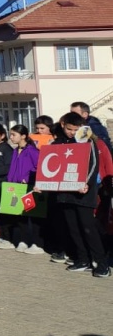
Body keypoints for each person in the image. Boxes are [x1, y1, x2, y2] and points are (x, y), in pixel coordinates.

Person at [54, 112, 110, 278]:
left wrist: (86, 183)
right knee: (73, 228)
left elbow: (93, 165)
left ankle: (102, 264)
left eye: (75, 129)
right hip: (65, 193)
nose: (72, 132)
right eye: (69, 129)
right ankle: (83, 259)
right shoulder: (59, 142)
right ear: (63, 126)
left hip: (83, 193)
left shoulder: (88, 141)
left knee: (88, 228)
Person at [5, 125, 43, 254]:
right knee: (20, 215)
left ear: (23, 136)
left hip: (29, 187)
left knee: (33, 215)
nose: (11, 137)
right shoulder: (15, 150)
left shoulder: (32, 151)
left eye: (13, 134)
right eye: (10, 134)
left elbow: (39, 168)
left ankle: (37, 243)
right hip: (16, 187)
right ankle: (23, 240)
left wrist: (28, 178)